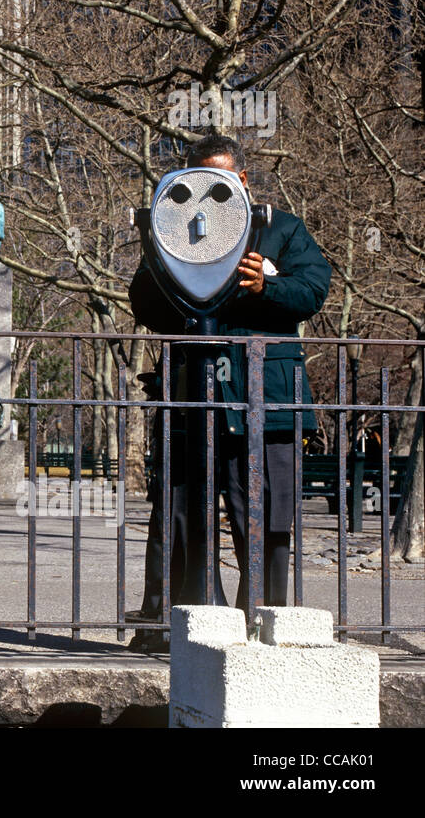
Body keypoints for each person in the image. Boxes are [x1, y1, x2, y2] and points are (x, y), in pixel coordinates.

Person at [128, 135, 330, 645]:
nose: (206, 194)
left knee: (266, 518)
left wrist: (269, 286)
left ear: (241, 179)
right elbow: (145, 305)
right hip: (190, 399)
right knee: (178, 516)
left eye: (220, 182)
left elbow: (313, 290)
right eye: (196, 181)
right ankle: (177, 626)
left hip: (268, 402)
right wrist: (167, 259)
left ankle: (261, 626)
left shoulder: (280, 227)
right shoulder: (170, 226)